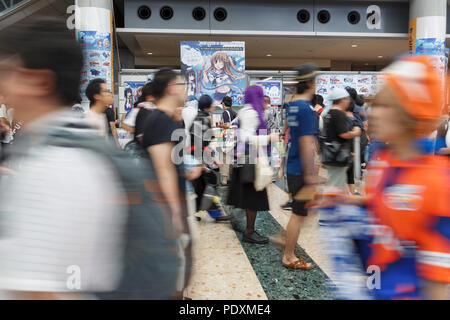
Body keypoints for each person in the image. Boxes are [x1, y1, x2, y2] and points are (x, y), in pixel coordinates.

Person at [0, 17, 129, 299]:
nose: (4, 88)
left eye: (8, 72)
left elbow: (41, 291)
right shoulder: (61, 149)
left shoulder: (52, 168)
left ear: (40, 81)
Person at [344, 55, 450, 299]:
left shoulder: (438, 182)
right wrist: (350, 202)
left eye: (384, 105)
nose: (373, 113)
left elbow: (437, 283)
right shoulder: (383, 163)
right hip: (375, 285)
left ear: (409, 113)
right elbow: (384, 206)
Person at [140, 68, 192, 297]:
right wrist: (174, 213)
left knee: (180, 263)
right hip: (164, 207)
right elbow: (164, 170)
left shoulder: (168, 118)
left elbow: (174, 161)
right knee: (176, 265)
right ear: (172, 88)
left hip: (168, 203)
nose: (186, 89)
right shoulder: (160, 119)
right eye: (183, 84)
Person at [227, 85, 279, 244]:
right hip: (251, 159)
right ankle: (249, 231)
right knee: (253, 197)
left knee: (245, 194)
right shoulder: (252, 113)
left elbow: (233, 128)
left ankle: (239, 221)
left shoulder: (244, 110)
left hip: (243, 158)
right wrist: (268, 138)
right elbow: (246, 137)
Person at [282, 63, 321, 270]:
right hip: (300, 170)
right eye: (315, 81)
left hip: (293, 166)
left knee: (303, 212)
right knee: (299, 214)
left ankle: (285, 239)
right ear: (310, 83)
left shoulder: (292, 106)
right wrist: (310, 174)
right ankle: (288, 256)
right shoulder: (306, 109)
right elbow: (306, 143)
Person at [189, 94, 232, 222]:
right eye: (212, 104)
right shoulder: (204, 120)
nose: (213, 106)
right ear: (208, 106)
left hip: (196, 158)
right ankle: (215, 214)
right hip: (200, 159)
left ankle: (210, 213)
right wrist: (204, 162)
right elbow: (202, 142)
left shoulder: (197, 118)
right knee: (208, 186)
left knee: (203, 188)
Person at [322, 88, 361, 190]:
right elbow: (343, 134)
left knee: (335, 183)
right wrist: (356, 132)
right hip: (338, 156)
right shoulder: (339, 114)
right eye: (347, 99)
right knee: (336, 186)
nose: (348, 101)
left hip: (329, 155)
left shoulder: (328, 113)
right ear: (342, 99)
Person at [85, 78, 120, 148]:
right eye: (106, 91)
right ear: (96, 96)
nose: (110, 94)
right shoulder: (90, 120)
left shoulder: (101, 116)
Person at [219, 96, 237, 185]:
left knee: (225, 157)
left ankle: (224, 180)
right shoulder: (234, 112)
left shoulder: (225, 112)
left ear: (223, 103)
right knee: (231, 158)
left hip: (228, 137)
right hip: (235, 136)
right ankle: (232, 179)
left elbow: (226, 125)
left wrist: (220, 125)